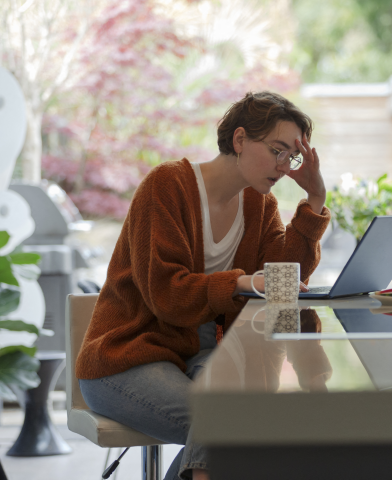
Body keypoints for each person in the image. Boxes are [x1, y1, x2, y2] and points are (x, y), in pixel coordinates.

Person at [76, 91, 331, 480]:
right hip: (126, 358)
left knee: (242, 420)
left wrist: (315, 199)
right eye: (278, 151)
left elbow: (283, 283)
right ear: (240, 139)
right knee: (228, 422)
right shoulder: (166, 185)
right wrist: (243, 281)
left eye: (292, 157)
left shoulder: (260, 207)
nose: (284, 167)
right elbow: (167, 296)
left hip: (202, 356)